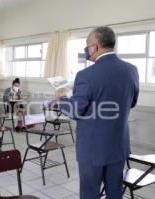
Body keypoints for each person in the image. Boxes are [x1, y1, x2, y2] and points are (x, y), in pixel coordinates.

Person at [55, 27, 139, 199]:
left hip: (92, 149)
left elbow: (75, 111)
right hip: (118, 146)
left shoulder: (86, 75)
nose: (86, 50)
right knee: (115, 193)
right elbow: (132, 103)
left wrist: (61, 99)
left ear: (95, 46)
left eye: (87, 45)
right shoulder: (132, 70)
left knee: (90, 194)